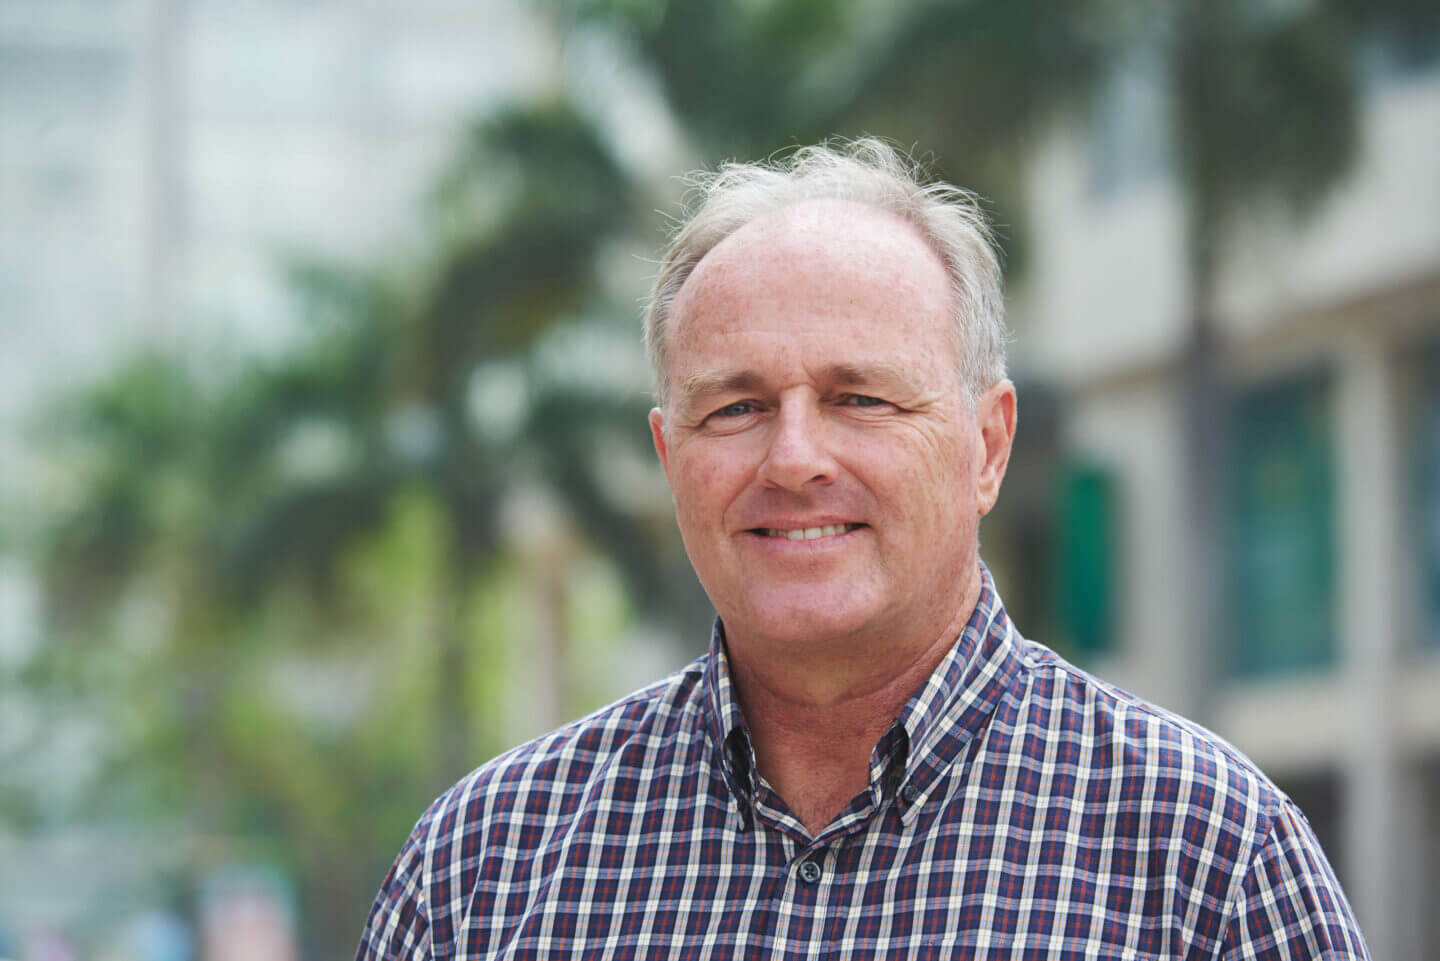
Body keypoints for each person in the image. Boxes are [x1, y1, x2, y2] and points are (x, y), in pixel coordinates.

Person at [356, 139, 1369, 960]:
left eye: (861, 399)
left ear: (989, 445)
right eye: (739, 406)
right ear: (671, 459)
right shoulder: (482, 873)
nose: (794, 458)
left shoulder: (1208, 857)